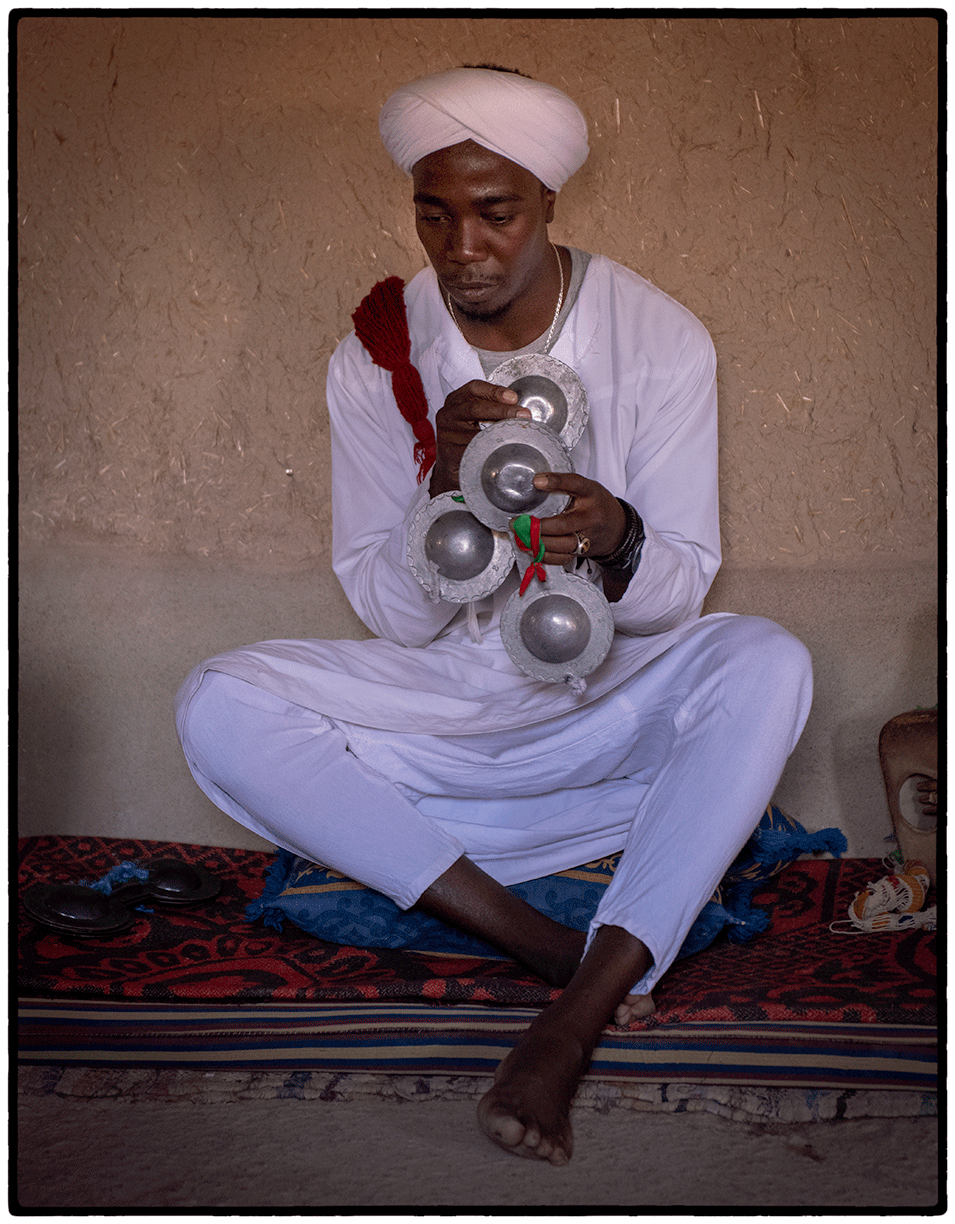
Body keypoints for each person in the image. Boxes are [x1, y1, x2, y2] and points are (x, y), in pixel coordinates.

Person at [175, 65, 813, 1165]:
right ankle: (553, 951)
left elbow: (681, 593)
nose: (461, 245)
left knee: (765, 662)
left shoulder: (660, 339)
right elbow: (391, 615)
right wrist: (440, 487)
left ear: (550, 202)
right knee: (218, 704)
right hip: (444, 712)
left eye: (494, 212)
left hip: (605, 704)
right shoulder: (379, 355)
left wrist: (617, 537)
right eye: (434, 211)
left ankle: (571, 1021)